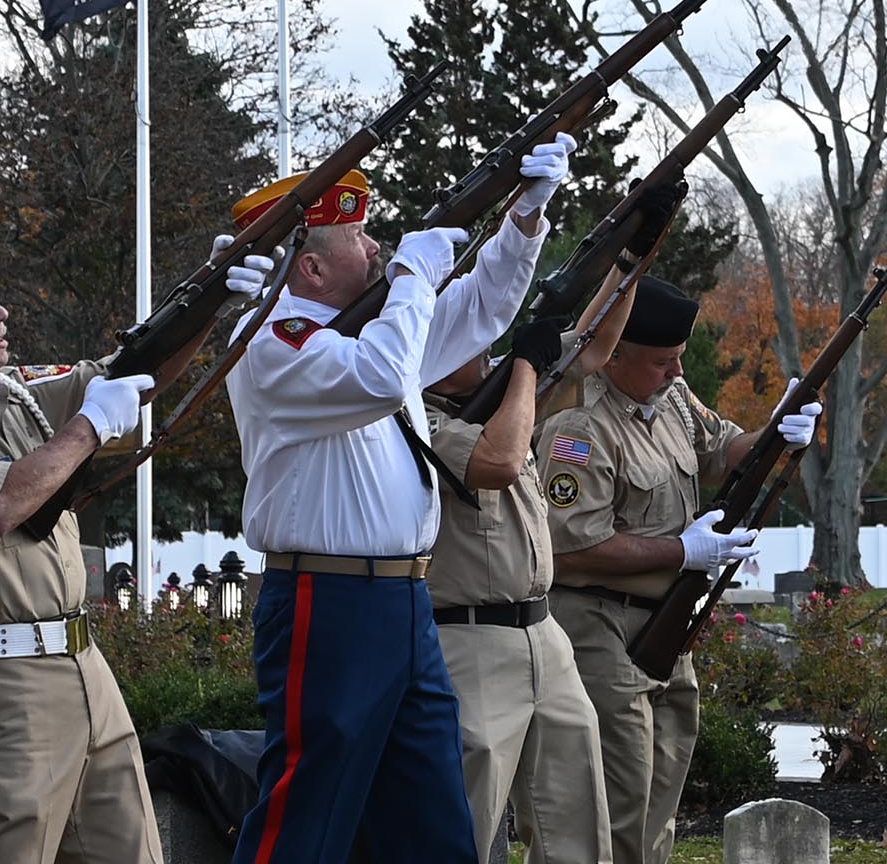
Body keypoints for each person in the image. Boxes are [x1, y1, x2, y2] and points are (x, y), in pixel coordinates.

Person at [0, 229, 273, 863]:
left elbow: (134, 375)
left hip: (82, 666)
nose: (0, 313)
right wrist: (86, 426)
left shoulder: (16, 394)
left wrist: (210, 291)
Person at [224, 138, 572, 864]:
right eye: (358, 235)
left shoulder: (377, 332)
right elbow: (381, 376)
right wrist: (415, 273)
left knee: (431, 817)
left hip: (404, 601)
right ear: (311, 266)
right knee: (307, 813)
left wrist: (525, 219)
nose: (379, 246)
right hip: (329, 599)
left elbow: (479, 313)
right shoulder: (271, 341)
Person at [536, 276, 823, 864]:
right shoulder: (579, 428)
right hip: (600, 630)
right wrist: (682, 552)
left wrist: (778, 433)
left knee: (656, 810)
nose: (676, 372)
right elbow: (570, 546)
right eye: (663, 361)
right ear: (615, 355)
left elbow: (721, 449)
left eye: (679, 359)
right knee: (614, 813)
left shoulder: (670, 401)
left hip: (668, 629)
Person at [422, 217, 668, 864]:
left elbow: (592, 346)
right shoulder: (420, 420)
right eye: (472, 338)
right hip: (468, 636)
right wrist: (528, 366)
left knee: (575, 819)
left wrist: (634, 257)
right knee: (468, 823)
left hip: (544, 631)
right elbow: (498, 461)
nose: (490, 344)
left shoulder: (505, 388)